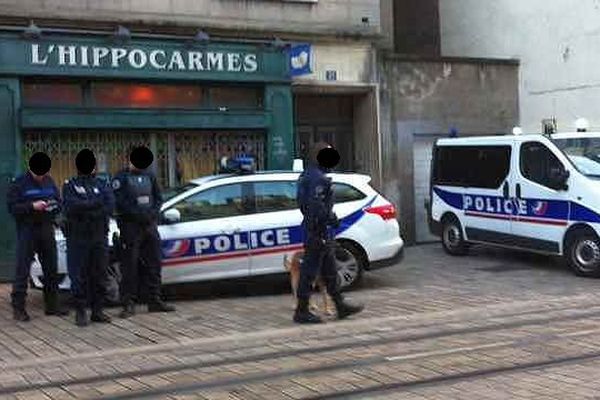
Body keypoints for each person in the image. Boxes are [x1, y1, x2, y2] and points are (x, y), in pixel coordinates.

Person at [294, 142, 364, 324]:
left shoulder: (307, 175)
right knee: (309, 272)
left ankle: (340, 305)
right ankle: (301, 311)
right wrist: (330, 218)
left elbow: (304, 203)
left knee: (330, 270)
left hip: (317, 229)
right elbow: (316, 205)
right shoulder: (317, 178)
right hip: (318, 229)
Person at [112, 146, 175, 318]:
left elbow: (158, 198)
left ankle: (154, 300)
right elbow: (120, 202)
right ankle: (128, 303)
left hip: (149, 226)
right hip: (130, 227)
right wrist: (138, 215)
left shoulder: (150, 176)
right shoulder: (120, 178)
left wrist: (152, 214)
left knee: (154, 264)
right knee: (129, 267)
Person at [6, 152, 68, 321]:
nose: (42, 176)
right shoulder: (19, 183)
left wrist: (53, 206)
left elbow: (58, 201)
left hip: (47, 228)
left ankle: (52, 306)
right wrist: (32, 206)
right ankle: (18, 309)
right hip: (28, 230)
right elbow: (13, 208)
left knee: (51, 268)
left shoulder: (49, 181)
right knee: (22, 269)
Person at [63, 149, 114, 327]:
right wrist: (94, 204)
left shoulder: (102, 184)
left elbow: (108, 206)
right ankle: (81, 311)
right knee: (79, 275)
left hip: (99, 236)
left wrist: (87, 208)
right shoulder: (70, 184)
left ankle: (98, 311)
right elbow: (71, 207)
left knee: (99, 274)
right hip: (78, 237)